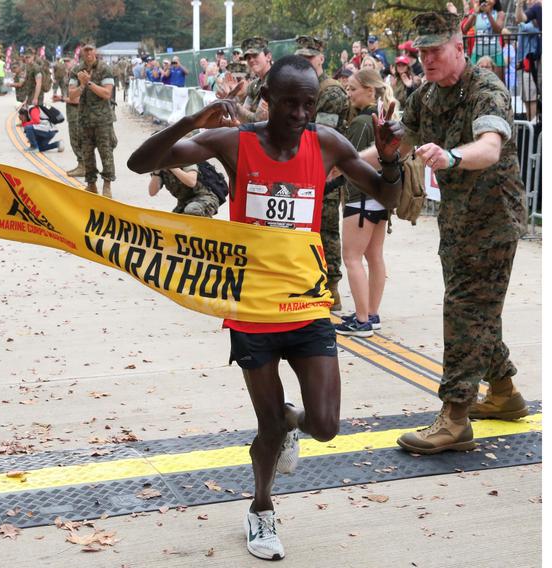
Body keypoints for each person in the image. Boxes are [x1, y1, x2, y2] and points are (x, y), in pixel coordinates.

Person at [127, 55, 403, 562]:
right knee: (269, 426)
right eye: (290, 103)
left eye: (309, 104)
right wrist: (193, 121)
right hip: (253, 308)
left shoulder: (327, 143)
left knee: (325, 426)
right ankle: (260, 508)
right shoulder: (236, 142)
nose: (300, 113)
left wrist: (391, 160)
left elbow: (387, 193)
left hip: (307, 303)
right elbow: (141, 164)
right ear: (267, 101)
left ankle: (290, 422)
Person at [364, 12, 528, 454]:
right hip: (457, 221)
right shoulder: (427, 96)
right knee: (477, 309)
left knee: (464, 308)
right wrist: (340, 165)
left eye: (436, 50)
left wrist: (452, 156)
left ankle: (455, 417)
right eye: (422, 52)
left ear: (461, 48)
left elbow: (489, 148)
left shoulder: (486, 90)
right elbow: (396, 144)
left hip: (495, 220)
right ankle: (504, 393)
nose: (427, 59)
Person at [335, 69, 396, 336]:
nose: (348, 94)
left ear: (369, 91)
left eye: (352, 89)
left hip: (361, 198)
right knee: (374, 257)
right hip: (380, 197)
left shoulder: (362, 122)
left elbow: (350, 161)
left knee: (352, 258)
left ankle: (361, 320)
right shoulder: (382, 119)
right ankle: (371, 313)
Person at [295, 35, 351, 311]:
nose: (305, 61)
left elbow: (321, 137)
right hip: (302, 170)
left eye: (310, 57)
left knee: (326, 229)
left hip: (325, 172)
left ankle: (331, 287)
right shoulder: (302, 88)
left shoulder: (328, 91)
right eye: (301, 57)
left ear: (321, 58)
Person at [70, 44, 117, 197]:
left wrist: (89, 83)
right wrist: (82, 85)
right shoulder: (76, 70)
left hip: (102, 120)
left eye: (91, 50)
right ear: (82, 53)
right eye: (86, 51)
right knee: (87, 154)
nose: (89, 53)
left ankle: (107, 184)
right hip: (84, 120)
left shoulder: (104, 69)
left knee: (106, 152)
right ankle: (91, 184)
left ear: (95, 52)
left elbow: (106, 94)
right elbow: (72, 95)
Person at [148, 163, 222, 217]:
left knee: (192, 210)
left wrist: (172, 167)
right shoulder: (162, 170)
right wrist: (156, 173)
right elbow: (152, 192)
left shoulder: (184, 159)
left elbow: (191, 182)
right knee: (172, 225)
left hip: (205, 198)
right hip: (184, 203)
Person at [461, 0, 506, 69]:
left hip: (496, 54)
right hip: (477, 54)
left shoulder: (500, 13)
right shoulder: (477, 14)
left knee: (497, 79)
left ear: (495, 1)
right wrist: (474, 13)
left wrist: (488, 14)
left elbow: (497, 31)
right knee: (475, 78)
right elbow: (464, 29)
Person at [65, 55, 86, 178]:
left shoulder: (77, 73)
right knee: (76, 140)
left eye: (69, 61)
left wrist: (64, 99)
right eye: (65, 62)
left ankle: (83, 166)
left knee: (76, 140)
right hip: (73, 112)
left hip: (76, 112)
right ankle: (82, 165)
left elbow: (76, 99)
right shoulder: (71, 74)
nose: (67, 64)